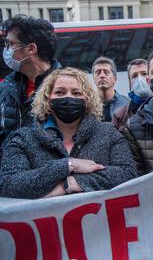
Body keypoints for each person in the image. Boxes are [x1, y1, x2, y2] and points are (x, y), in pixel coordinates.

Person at [0, 67, 138, 199]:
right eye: (60, 92)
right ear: (47, 100)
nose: (68, 98)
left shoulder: (109, 133)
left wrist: (69, 184)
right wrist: (68, 165)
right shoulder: (23, 138)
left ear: (87, 100)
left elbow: (128, 173)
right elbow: (8, 183)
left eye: (76, 93)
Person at [0, 14, 61, 152]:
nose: (6, 50)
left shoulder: (66, 90)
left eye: (10, 44)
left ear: (31, 49)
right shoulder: (5, 87)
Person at [112, 58, 152, 132]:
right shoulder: (120, 116)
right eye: (135, 76)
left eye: (144, 74)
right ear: (130, 83)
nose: (140, 78)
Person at [92, 56, 129, 122]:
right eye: (98, 72)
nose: (102, 75)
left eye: (106, 72)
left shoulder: (127, 104)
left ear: (115, 79)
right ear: (93, 79)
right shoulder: (88, 105)